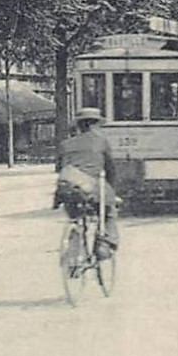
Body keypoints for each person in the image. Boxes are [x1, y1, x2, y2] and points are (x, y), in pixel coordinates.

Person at [53, 108, 119, 253]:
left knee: (75, 215)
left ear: (78, 125)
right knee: (109, 211)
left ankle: (75, 235)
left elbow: (59, 168)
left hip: (66, 188)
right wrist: (112, 191)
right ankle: (105, 243)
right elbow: (111, 169)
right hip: (90, 187)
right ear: (96, 124)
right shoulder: (101, 142)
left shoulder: (66, 144)